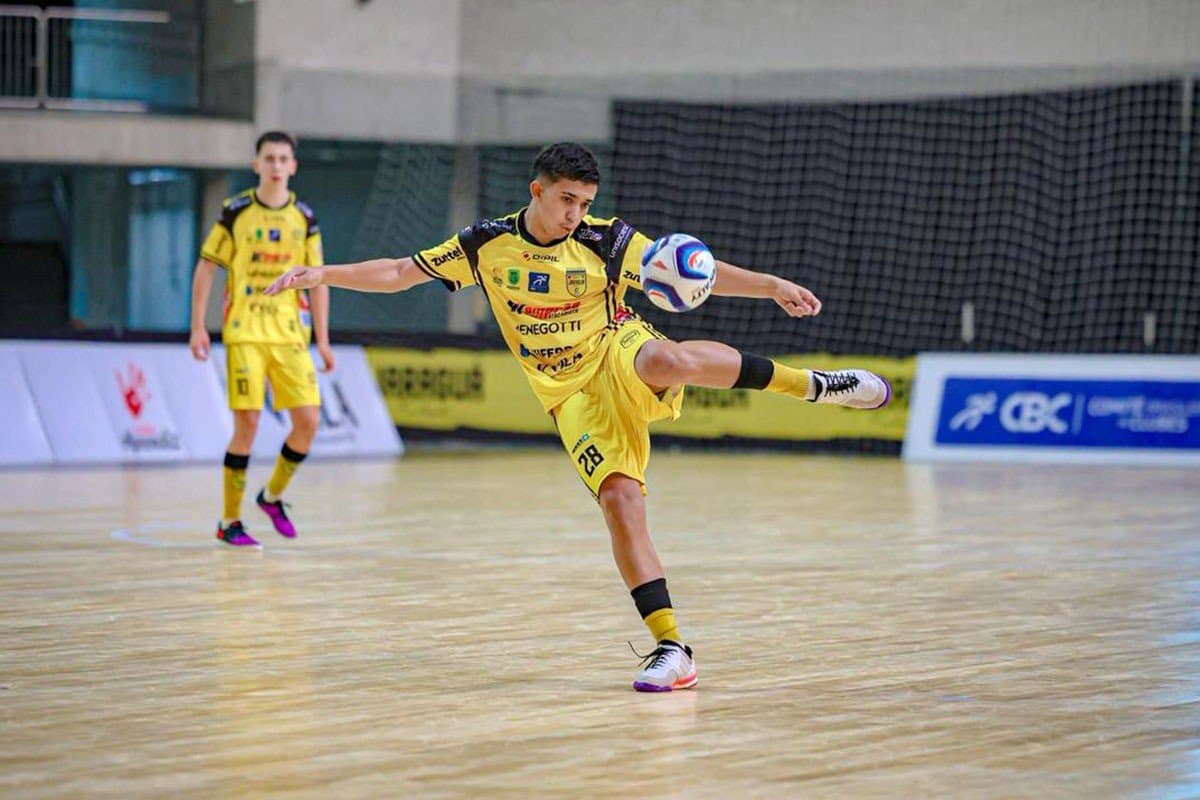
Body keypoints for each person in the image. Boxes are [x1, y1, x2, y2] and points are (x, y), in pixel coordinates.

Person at [264, 142, 890, 690]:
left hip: (616, 347)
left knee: (669, 360)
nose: (575, 214)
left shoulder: (605, 239)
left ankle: (812, 385)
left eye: (585, 203)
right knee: (622, 504)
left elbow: (697, 272)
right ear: (536, 191)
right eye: (566, 200)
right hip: (569, 397)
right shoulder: (485, 245)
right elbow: (402, 272)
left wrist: (772, 284)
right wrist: (321, 273)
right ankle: (673, 647)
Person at [189, 130, 334, 549]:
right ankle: (229, 521)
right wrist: (198, 325)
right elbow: (206, 266)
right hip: (246, 331)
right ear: (256, 165)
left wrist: (323, 340)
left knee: (308, 423)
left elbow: (319, 281)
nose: (275, 165)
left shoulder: (304, 219)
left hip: (291, 334)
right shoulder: (235, 211)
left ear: (292, 166)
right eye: (268, 158)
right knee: (247, 424)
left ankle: (271, 497)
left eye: (282, 159)